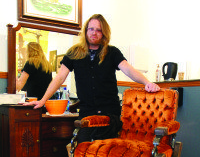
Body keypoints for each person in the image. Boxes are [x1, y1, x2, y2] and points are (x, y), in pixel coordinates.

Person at [25, 14, 160, 142]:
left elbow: (128, 70)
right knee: (82, 148)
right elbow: (59, 78)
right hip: (87, 113)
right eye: (91, 29)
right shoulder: (74, 52)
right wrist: (43, 100)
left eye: (98, 30)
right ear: (85, 31)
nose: (94, 33)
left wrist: (147, 82)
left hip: (109, 114)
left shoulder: (112, 52)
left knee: (104, 153)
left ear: (104, 33)